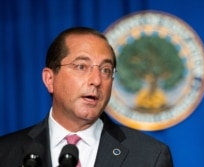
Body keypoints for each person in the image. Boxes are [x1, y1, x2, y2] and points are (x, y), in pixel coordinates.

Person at [0, 27, 173, 167]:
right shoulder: (5, 153)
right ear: (50, 79)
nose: (97, 81)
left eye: (106, 70)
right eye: (82, 67)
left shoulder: (150, 157)